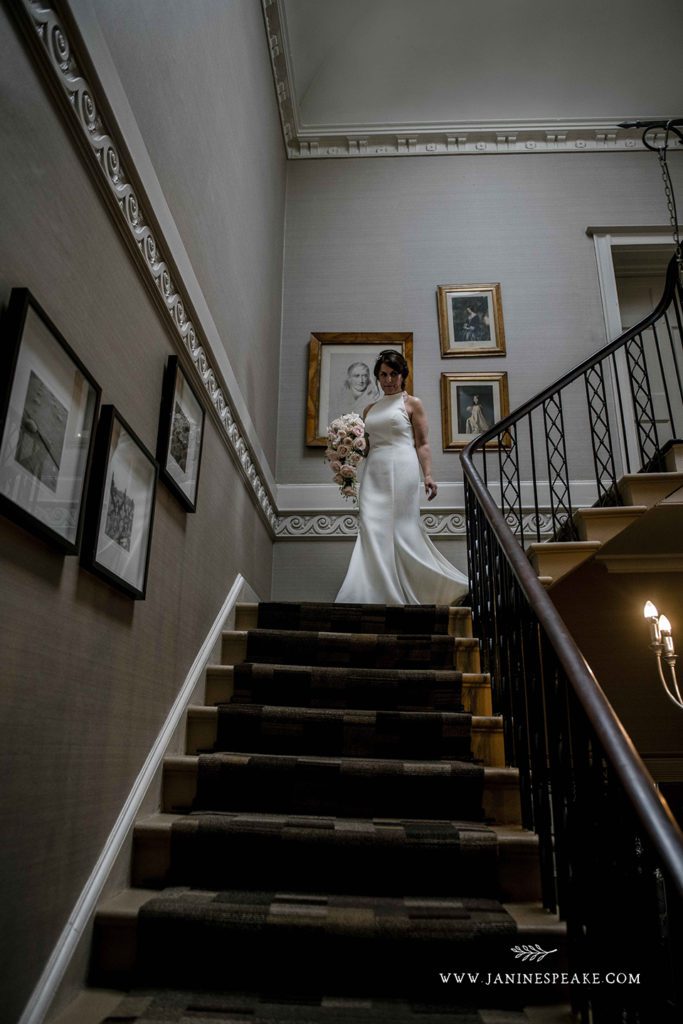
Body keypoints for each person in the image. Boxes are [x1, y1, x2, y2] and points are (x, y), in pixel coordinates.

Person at [335, 350, 469, 605]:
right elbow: (366, 447)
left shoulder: (412, 404)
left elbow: (423, 444)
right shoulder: (369, 409)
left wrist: (428, 475)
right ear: (378, 377)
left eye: (393, 374)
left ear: (402, 375)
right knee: (371, 527)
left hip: (402, 468)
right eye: (383, 375)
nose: (388, 380)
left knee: (402, 529)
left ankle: (429, 589)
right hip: (374, 472)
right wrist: (345, 450)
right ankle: (372, 593)